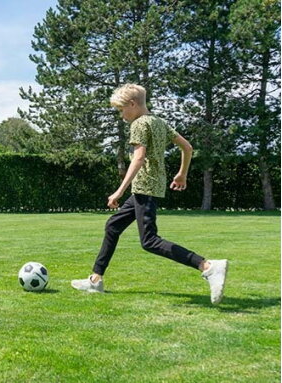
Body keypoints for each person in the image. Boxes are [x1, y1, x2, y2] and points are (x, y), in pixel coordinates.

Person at [70, 84, 228, 305]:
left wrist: (119, 190)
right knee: (113, 226)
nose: (121, 114)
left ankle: (208, 266)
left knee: (150, 241)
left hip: (144, 187)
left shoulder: (139, 124)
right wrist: (182, 174)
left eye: (121, 109)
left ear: (133, 104)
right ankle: (95, 280)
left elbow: (138, 158)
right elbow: (188, 147)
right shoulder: (160, 122)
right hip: (149, 188)